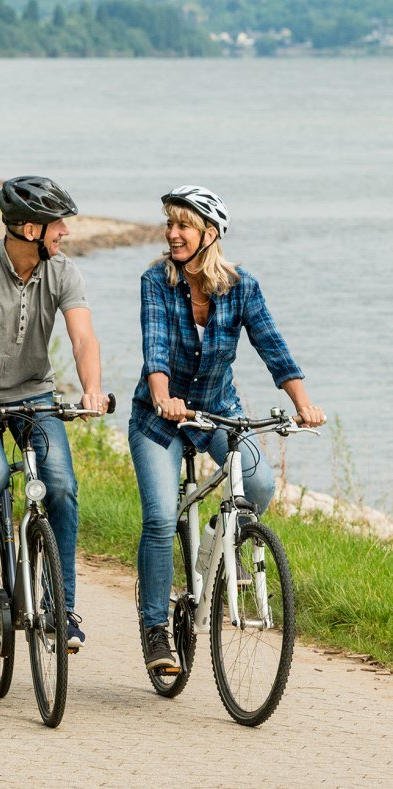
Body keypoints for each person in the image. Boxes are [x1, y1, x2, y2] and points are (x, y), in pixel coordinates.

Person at [129, 184, 325, 670]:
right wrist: (162, 396)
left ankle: (224, 535)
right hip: (160, 418)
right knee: (159, 517)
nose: (171, 233)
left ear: (209, 234)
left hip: (218, 410)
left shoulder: (242, 286)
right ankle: (156, 629)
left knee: (258, 483)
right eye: (169, 224)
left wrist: (304, 404)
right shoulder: (156, 281)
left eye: (183, 226)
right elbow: (155, 348)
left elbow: (273, 347)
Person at [0, 175, 108, 649]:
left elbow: (82, 337)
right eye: (59, 225)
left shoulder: (62, 272)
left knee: (61, 486)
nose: (66, 233)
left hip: (34, 394)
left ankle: (62, 608)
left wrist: (92, 390)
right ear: (31, 230)